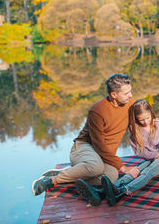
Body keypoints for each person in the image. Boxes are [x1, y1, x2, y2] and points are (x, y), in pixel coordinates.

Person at [31, 73, 136, 205]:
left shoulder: (130, 103)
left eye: (130, 91)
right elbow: (99, 146)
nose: (131, 95)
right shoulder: (98, 110)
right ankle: (51, 181)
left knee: (112, 176)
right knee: (96, 167)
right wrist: (123, 168)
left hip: (103, 155)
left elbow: (141, 122)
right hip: (85, 146)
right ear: (114, 95)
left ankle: (73, 173)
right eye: (126, 93)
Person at [76, 99, 159, 206]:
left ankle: (122, 191)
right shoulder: (135, 129)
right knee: (137, 170)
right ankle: (103, 192)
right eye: (141, 119)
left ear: (151, 113)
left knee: (147, 172)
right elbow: (141, 152)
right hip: (155, 158)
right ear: (136, 118)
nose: (145, 122)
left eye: (147, 118)